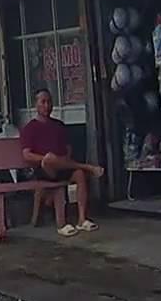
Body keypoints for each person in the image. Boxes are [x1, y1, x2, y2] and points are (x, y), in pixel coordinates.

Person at [20, 88, 103, 237]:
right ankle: (88, 167)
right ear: (36, 105)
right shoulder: (30, 128)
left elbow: (67, 149)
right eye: (43, 102)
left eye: (49, 102)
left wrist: (62, 160)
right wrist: (44, 158)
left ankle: (82, 219)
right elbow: (27, 155)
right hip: (44, 168)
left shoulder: (58, 125)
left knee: (79, 174)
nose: (47, 105)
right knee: (49, 159)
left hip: (63, 165)